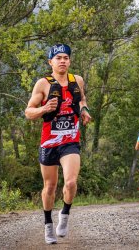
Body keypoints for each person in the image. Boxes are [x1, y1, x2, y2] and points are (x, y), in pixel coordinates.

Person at [25, 44, 92, 244]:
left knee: (70, 183)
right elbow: (29, 112)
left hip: (70, 139)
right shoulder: (43, 84)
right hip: (49, 142)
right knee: (50, 186)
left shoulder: (77, 80)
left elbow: (82, 100)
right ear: (50, 62)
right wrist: (44, 108)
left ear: (69, 60)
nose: (62, 60)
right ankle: (48, 225)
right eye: (58, 58)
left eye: (66, 57)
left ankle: (64, 215)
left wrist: (85, 110)